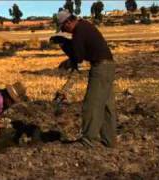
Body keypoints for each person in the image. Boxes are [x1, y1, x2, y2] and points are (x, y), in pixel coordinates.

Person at [50, 10, 117, 148]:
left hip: (100, 68)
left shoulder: (79, 31)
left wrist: (65, 45)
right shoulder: (85, 26)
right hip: (108, 66)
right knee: (105, 105)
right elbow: (83, 53)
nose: (64, 30)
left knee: (92, 104)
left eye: (63, 27)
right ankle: (109, 141)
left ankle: (88, 141)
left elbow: (78, 57)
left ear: (68, 22)